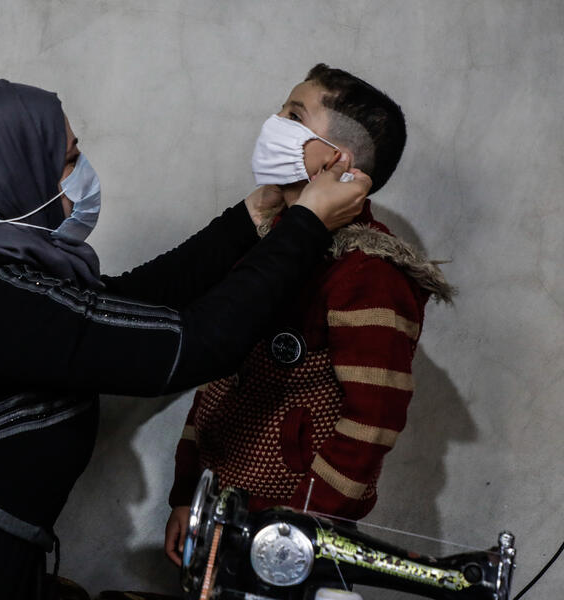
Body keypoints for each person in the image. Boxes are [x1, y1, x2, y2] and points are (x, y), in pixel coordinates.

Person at [0, 80, 370, 598]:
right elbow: (195, 344)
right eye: (67, 159)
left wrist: (256, 216)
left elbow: (124, 302)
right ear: (10, 175)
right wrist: (305, 225)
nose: (81, 174)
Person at [165, 64, 455, 566]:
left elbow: (374, 420)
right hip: (217, 515)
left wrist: (300, 526)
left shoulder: (369, 270)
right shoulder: (265, 244)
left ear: (337, 160)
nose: (274, 122)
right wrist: (184, 496)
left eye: (293, 115)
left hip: (285, 538)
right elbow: (216, 379)